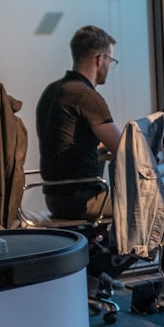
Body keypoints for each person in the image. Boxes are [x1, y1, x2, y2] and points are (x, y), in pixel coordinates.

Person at [36, 25, 122, 220]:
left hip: (55, 198)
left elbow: (65, 143)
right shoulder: (85, 96)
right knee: (154, 203)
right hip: (82, 201)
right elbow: (125, 148)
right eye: (110, 59)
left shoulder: (52, 90)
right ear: (100, 59)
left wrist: (97, 152)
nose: (109, 65)